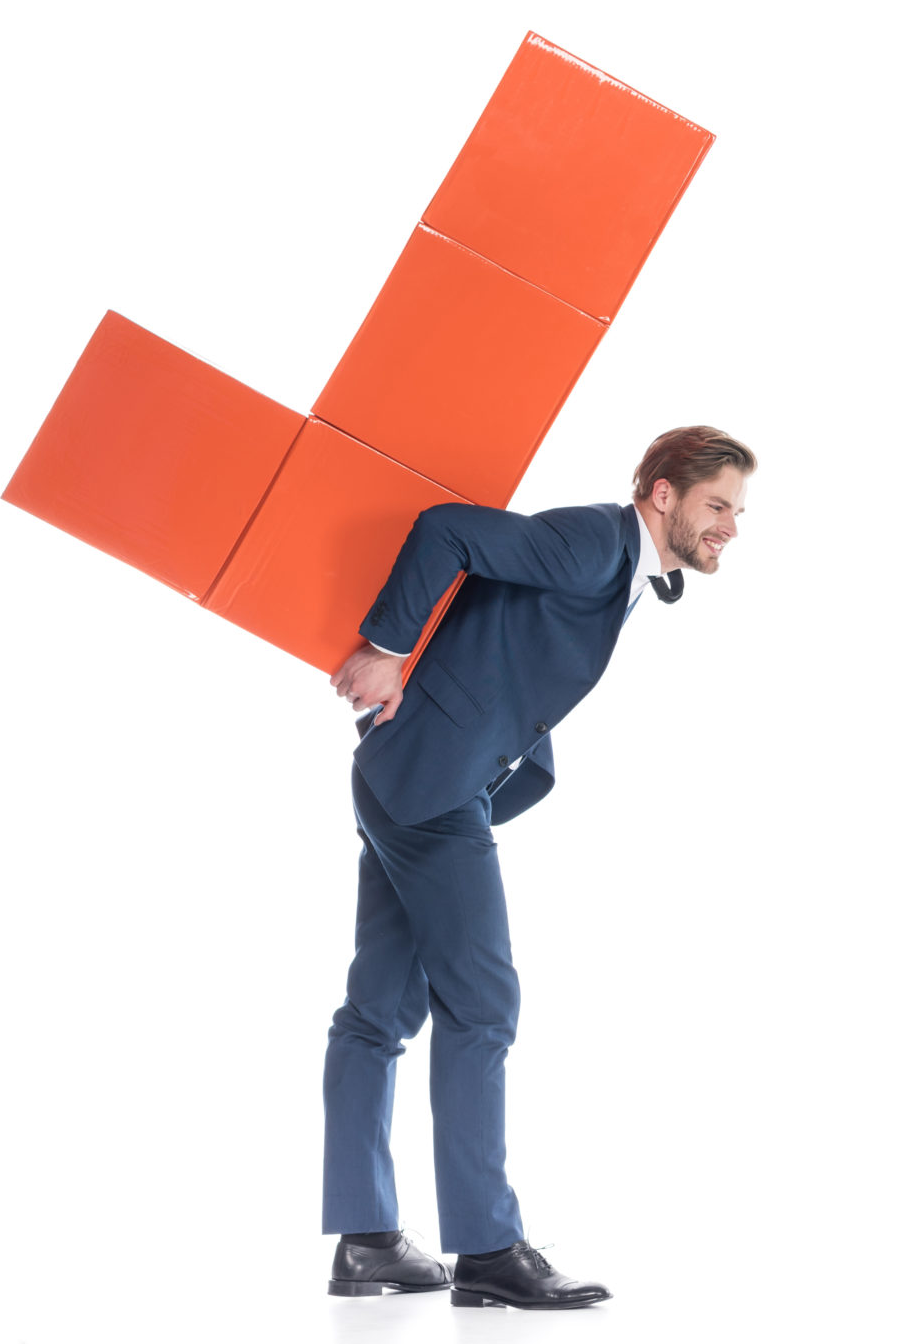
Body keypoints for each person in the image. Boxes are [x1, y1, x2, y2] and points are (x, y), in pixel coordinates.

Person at [318, 426, 756, 1310]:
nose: (731, 528)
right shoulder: (597, 539)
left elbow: (505, 634)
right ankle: (485, 1249)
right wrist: (392, 647)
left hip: (420, 774)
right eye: (718, 506)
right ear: (663, 494)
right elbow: (447, 529)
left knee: (379, 1010)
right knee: (482, 1005)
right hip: (432, 788)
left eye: (738, 513)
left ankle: (366, 1241)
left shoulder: (624, 571)